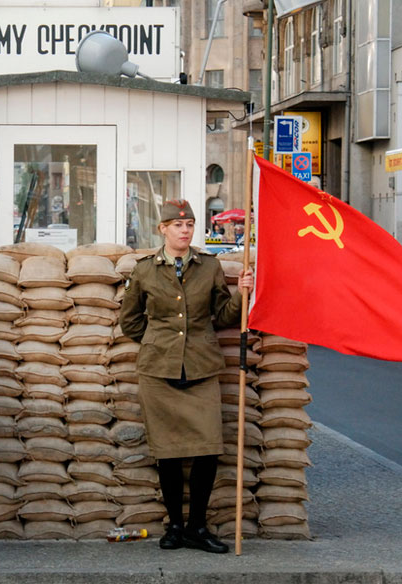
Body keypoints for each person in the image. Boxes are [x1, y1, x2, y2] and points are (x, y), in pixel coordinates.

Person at [119, 199, 253, 554]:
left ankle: (197, 526)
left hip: (201, 368)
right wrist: (158, 343)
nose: (185, 230)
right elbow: (129, 321)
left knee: (208, 450)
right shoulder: (145, 270)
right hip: (158, 371)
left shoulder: (208, 267)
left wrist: (243, 293)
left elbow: (223, 315)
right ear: (162, 228)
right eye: (178, 225)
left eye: (190, 224)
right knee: (169, 455)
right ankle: (175, 527)